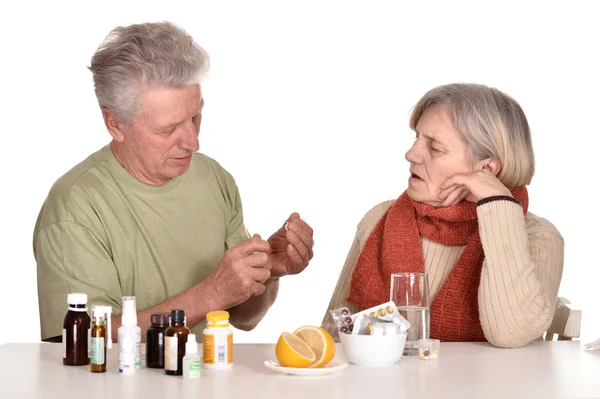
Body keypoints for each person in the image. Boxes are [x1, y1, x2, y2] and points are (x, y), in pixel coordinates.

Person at [34, 21, 314, 342]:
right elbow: (78, 344)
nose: (193, 142)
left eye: (195, 117)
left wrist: (267, 273)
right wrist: (209, 295)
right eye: (169, 128)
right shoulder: (75, 208)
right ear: (115, 124)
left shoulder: (214, 178)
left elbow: (242, 318)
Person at [321, 83, 563, 348]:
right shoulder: (379, 218)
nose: (411, 154)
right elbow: (334, 336)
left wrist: (498, 206)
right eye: (417, 138)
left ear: (486, 170)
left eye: (435, 147)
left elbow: (511, 334)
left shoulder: (538, 237)